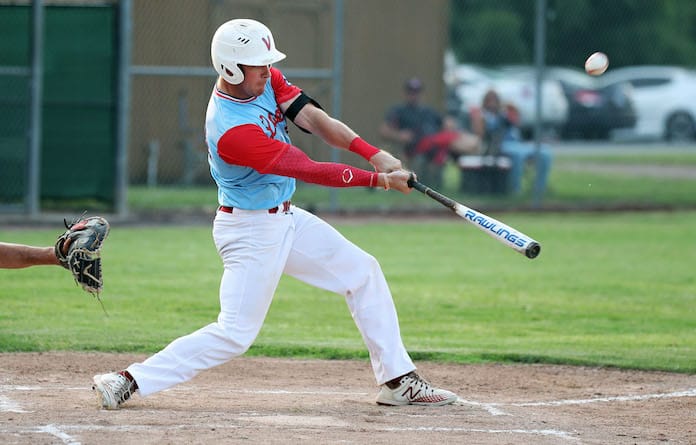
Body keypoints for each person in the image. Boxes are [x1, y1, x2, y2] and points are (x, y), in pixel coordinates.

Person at [91, 18, 458, 410]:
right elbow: (309, 168)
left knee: (362, 272)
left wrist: (374, 153)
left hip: (285, 218)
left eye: (267, 63)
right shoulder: (233, 130)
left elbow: (314, 120)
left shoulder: (264, 80)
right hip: (250, 230)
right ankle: (127, 380)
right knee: (234, 334)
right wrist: (380, 182)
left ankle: (398, 381)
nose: (267, 70)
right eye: (258, 64)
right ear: (231, 68)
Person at [380, 77, 479, 188]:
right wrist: (399, 135)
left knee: (449, 139)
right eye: (411, 92)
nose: (414, 95)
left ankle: (475, 152)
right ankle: (477, 148)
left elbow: (445, 123)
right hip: (416, 146)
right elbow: (384, 131)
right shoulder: (399, 110)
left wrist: (451, 124)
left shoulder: (428, 111)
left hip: (435, 145)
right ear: (406, 93)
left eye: (416, 92)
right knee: (452, 140)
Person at [469, 89, 553, 195]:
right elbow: (479, 134)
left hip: (517, 144)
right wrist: (483, 119)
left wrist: (510, 108)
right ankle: (515, 190)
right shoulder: (483, 116)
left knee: (545, 152)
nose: (493, 103)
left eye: (495, 100)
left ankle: (539, 188)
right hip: (499, 146)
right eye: (490, 101)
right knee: (518, 155)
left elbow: (517, 121)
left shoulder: (504, 114)